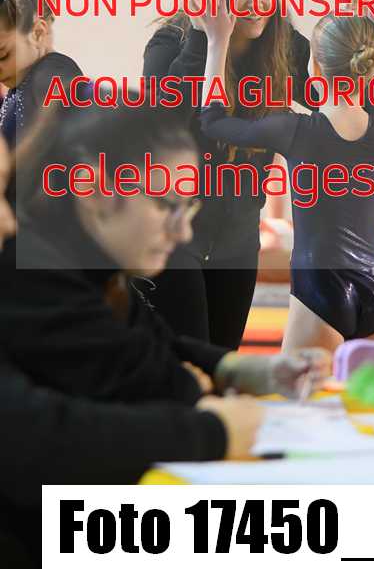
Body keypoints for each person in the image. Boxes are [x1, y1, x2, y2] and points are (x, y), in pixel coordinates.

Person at [0, 133, 262, 567]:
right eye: (165, 205)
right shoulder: (37, 267)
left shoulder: (84, 267)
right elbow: (35, 434)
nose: (9, 223)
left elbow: (146, 345)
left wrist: (221, 369)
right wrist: (210, 431)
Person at [2, 99, 329, 404]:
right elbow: (65, 416)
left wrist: (249, 368)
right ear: (94, 189)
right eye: (167, 205)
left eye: (188, 207)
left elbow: (154, 343)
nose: (183, 232)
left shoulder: (96, 269)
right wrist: (216, 423)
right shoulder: (37, 277)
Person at [200, 0, 374, 352]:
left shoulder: (295, 130)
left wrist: (217, 41)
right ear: (370, 70)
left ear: (314, 68)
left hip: (320, 296)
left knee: (297, 394)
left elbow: (212, 121)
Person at [0, 0, 83, 149]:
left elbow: (76, 129)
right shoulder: (20, 81)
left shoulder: (51, 72)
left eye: (3, 55)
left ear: (38, 33)